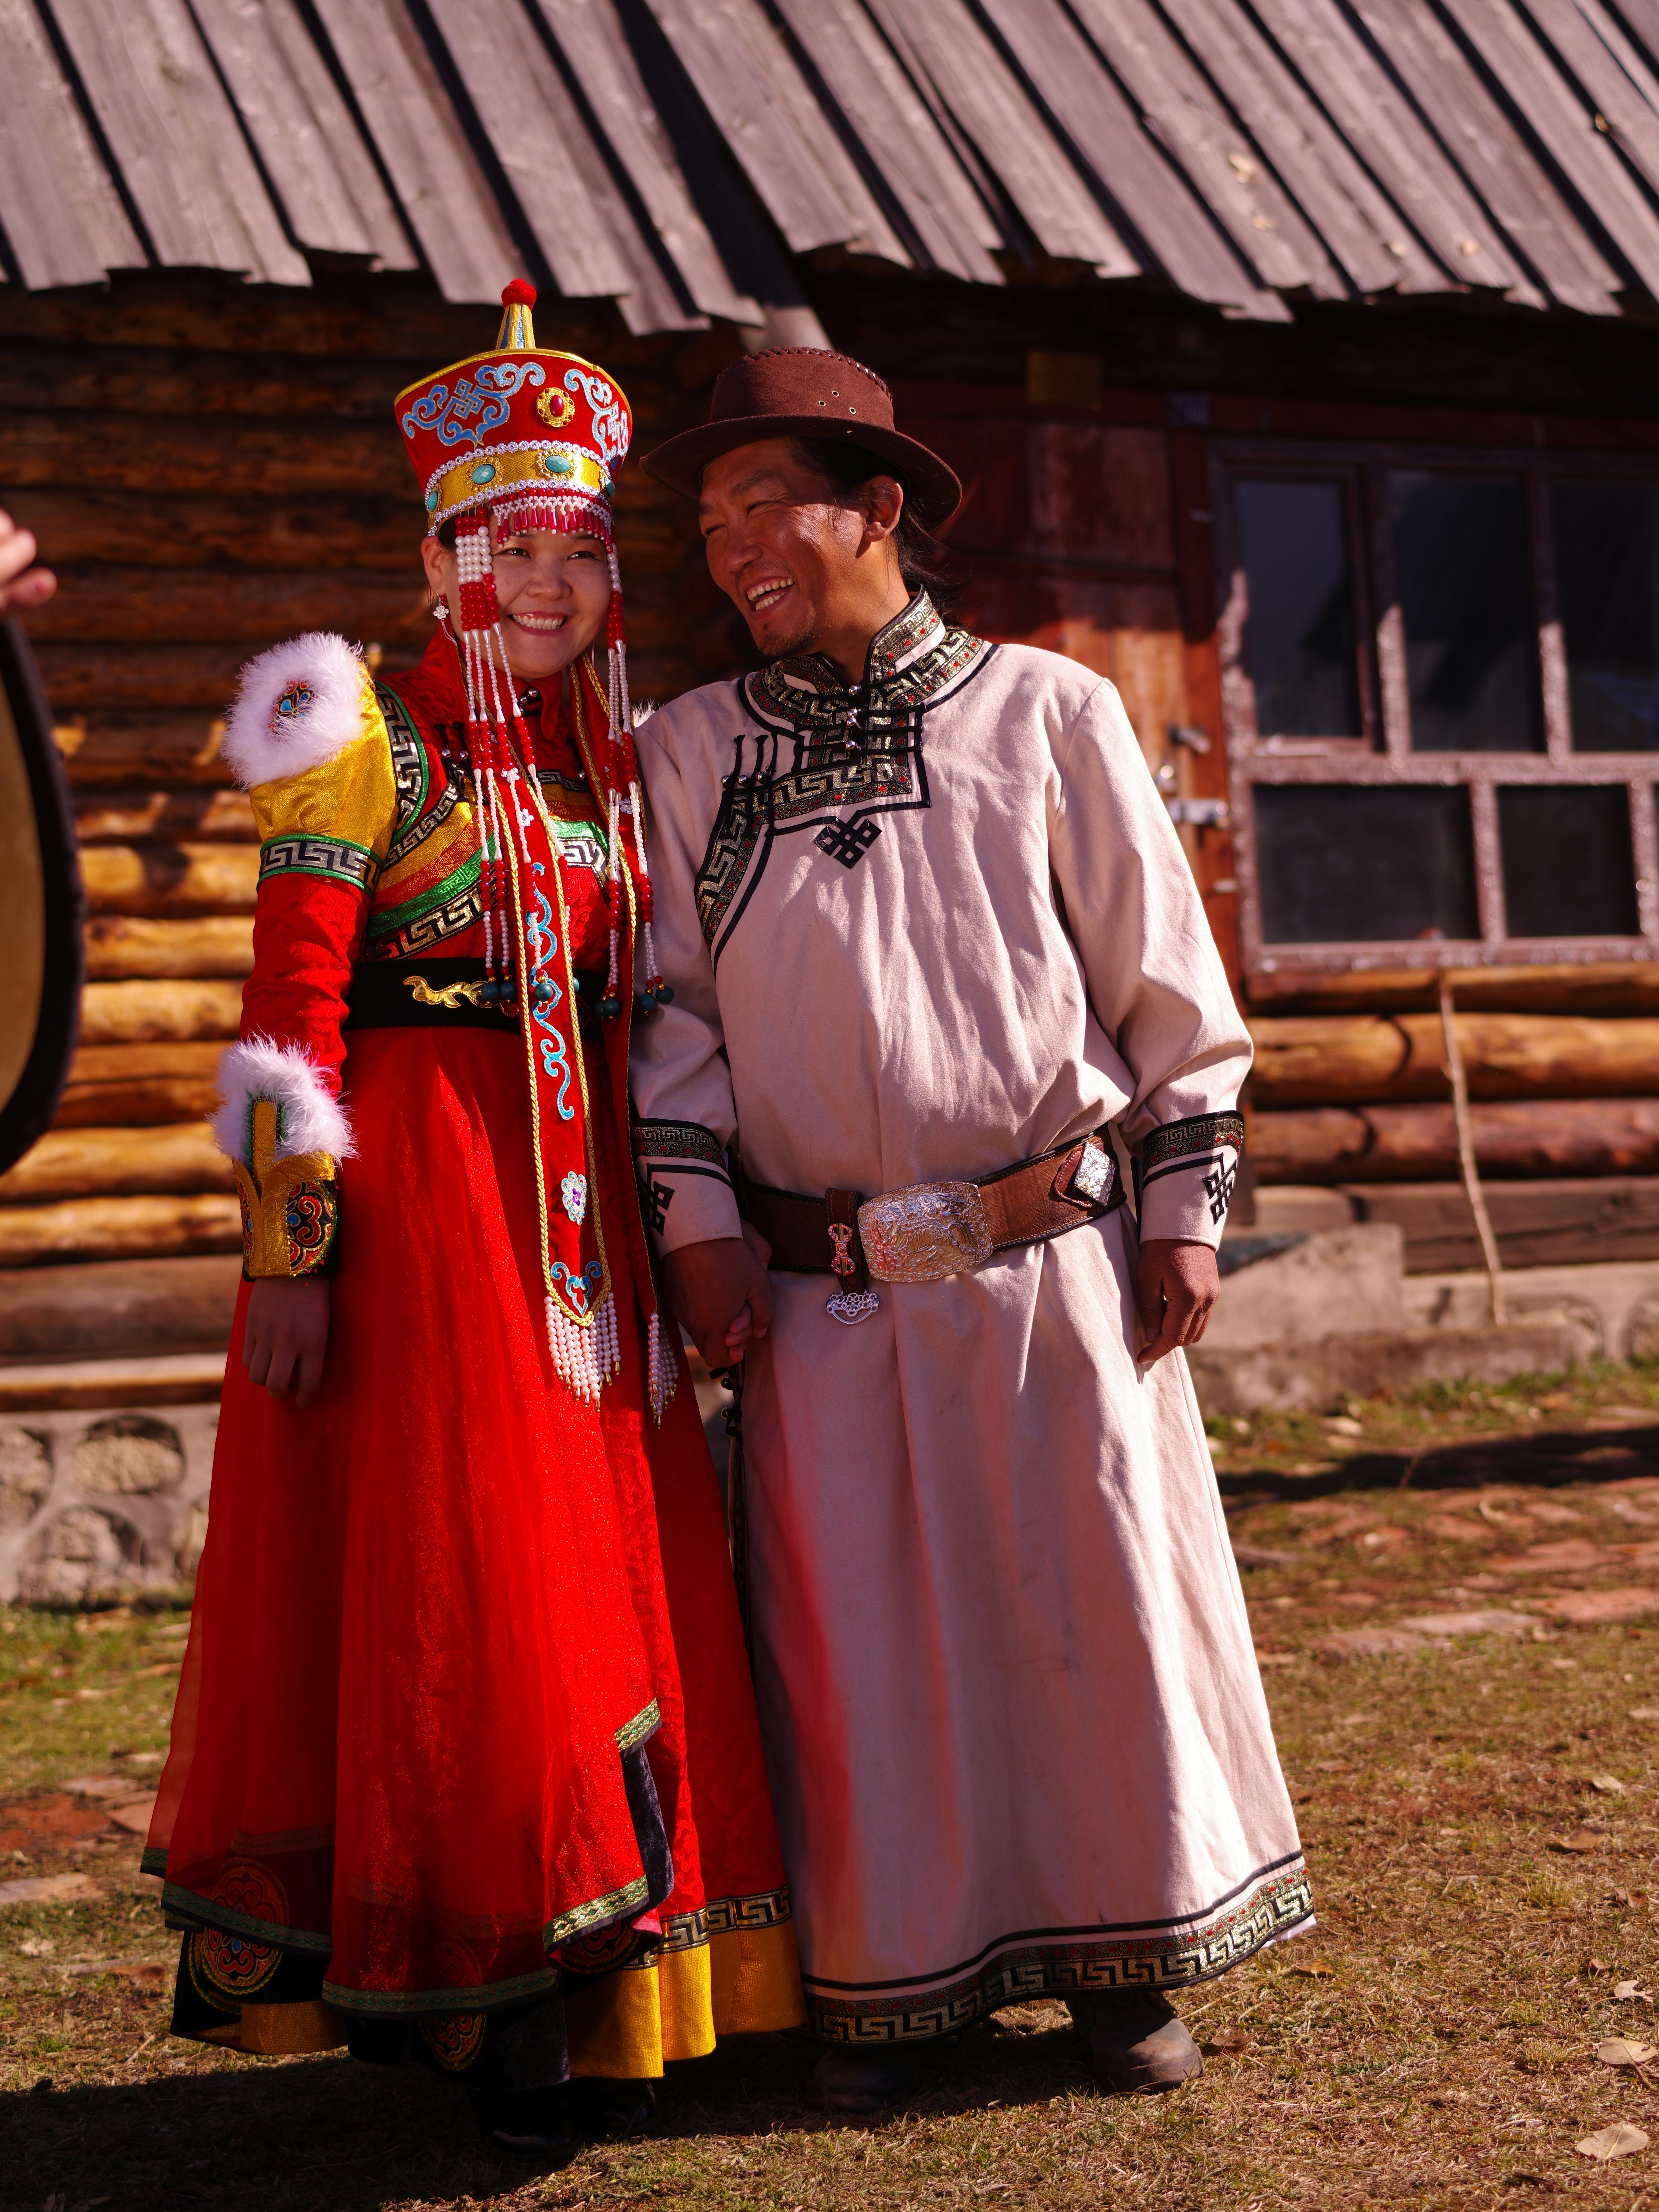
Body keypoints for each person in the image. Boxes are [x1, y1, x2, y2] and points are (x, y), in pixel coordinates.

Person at [143, 286, 803, 2158]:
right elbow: (287, 1015)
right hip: (428, 1227)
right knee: (475, 1586)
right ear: (447, 559)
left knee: (609, 1570)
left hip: (586, 1231)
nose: (555, 582)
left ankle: (629, 1981)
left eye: (584, 552)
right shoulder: (354, 736)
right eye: (517, 548)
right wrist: (293, 1255)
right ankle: (486, 1999)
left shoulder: (614, 768)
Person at [629, 349, 1310, 2114]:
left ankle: (1124, 1967)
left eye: (766, 503)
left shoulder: (1050, 714)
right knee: (858, 1646)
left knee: (1085, 1617)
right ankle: (897, 1987)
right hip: (823, 1289)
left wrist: (1188, 1213)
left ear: (878, 511)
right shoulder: (687, 753)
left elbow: (1171, 994)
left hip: (1051, 1266)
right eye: (710, 523)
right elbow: (672, 1023)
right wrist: (694, 1221)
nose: (734, 547)